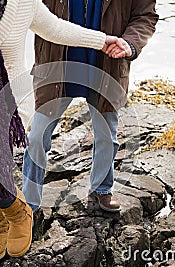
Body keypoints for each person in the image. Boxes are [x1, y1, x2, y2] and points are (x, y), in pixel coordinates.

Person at [0, 0, 125, 261]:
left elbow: (56, 29)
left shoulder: (22, 2)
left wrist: (102, 40)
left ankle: (19, 214)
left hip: (12, 102)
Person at [22, 0, 159, 212]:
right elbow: (24, 9)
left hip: (106, 66)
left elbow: (145, 17)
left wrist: (130, 43)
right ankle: (29, 205)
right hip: (55, 66)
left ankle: (101, 190)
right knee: (36, 137)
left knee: (107, 137)